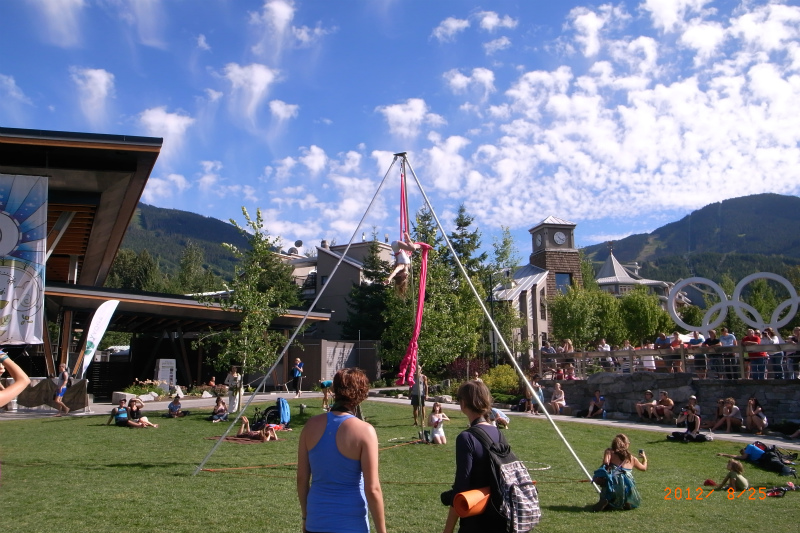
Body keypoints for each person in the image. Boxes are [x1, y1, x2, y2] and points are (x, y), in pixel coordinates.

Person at [297, 368, 386, 533]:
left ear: (334, 390)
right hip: (351, 524)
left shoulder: (310, 426)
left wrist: (305, 517)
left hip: (315, 521)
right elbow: (372, 489)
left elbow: (302, 480)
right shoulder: (365, 431)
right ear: (361, 393)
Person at [441, 380, 506, 533]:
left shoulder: (466, 438)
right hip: (500, 514)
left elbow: (461, 486)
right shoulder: (498, 433)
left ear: (463, 403)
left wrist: (447, 530)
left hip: (476, 517)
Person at [592, 434, 647, 511]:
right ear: (626, 444)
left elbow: (606, 462)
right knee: (627, 486)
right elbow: (644, 468)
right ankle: (626, 501)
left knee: (609, 482)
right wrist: (644, 458)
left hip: (614, 483)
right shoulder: (632, 458)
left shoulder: (610, 451)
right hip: (627, 485)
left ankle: (606, 500)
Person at [384, 231, 420, 296]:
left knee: (413, 248)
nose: (406, 275)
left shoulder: (401, 266)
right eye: (406, 277)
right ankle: (423, 245)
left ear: (401, 274)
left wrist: (389, 279)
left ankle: (407, 238)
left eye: (404, 276)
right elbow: (405, 256)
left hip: (396, 246)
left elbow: (394, 272)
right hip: (399, 248)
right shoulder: (406, 265)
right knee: (416, 246)